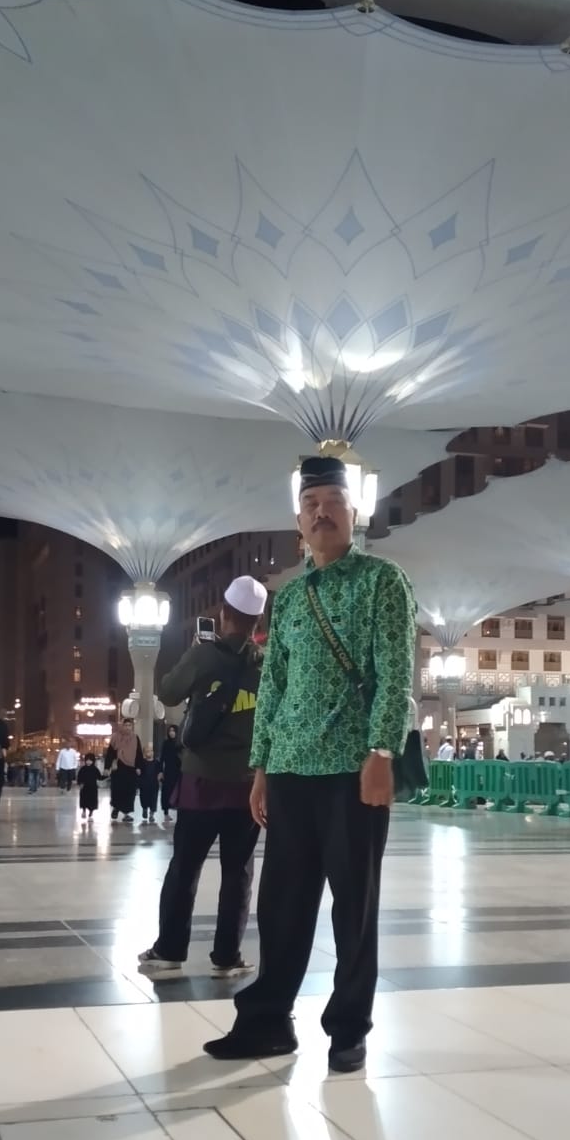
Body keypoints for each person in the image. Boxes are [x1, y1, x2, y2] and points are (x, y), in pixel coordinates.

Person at [204, 456, 416, 1073]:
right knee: (282, 905)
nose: (321, 512)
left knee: (354, 906)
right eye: (310, 504)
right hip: (291, 769)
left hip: (353, 769)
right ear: (298, 520)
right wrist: (261, 768)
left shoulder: (382, 581)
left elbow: (395, 673)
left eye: (332, 501)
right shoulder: (292, 596)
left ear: (354, 512)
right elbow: (274, 684)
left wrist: (382, 752)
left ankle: (349, 1028)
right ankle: (268, 1022)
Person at [139, 576, 267, 980]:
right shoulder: (265, 664)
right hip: (246, 786)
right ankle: (226, 957)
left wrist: (195, 653)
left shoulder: (204, 655)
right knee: (238, 873)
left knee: (185, 867)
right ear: (258, 621)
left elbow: (168, 692)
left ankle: (169, 950)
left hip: (201, 782)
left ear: (223, 614)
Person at [105, 720, 142, 822]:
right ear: (122, 726)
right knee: (117, 790)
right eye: (125, 725)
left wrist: (139, 767)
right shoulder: (115, 737)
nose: (127, 727)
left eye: (129, 725)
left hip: (131, 768)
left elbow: (139, 753)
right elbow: (110, 753)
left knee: (129, 791)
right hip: (118, 768)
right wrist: (107, 767)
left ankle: (126, 814)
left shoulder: (135, 738)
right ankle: (116, 809)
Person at [160, 724, 182, 822]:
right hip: (168, 771)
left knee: (178, 791)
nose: (171, 733)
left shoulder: (180, 743)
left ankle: (179, 814)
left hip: (179, 771)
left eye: (173, 731)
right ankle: (166, 813)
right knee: (166, 791)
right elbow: (162, 758)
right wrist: (160, 771)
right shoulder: (166, 743)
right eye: (170, 731)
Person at [138, 744, 162, 823]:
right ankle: (144, 809)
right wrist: (138, 771)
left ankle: (151, 815)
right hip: (144, 784)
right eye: (147, 751)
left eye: (151, 751)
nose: (150, 752)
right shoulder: (142, 762)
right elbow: (139, 770)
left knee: (153, 800)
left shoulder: (156, 762)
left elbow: (160, 771)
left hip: (154, 784)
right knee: (144, 798)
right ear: (144, 753)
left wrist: (160, 775)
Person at [77, 752, 102, 819]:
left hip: (93, 788)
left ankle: (91, 813)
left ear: (93, 761)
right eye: (87, 760)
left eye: (90, 760)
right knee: (84, 800)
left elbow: (99, 777)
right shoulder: (83, 769)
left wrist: (106, 776)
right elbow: (79, 777)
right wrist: (80, 783)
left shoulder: (95, 769)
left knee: (92, 801)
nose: (88, 762)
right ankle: (84, 811)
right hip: (84, 788)